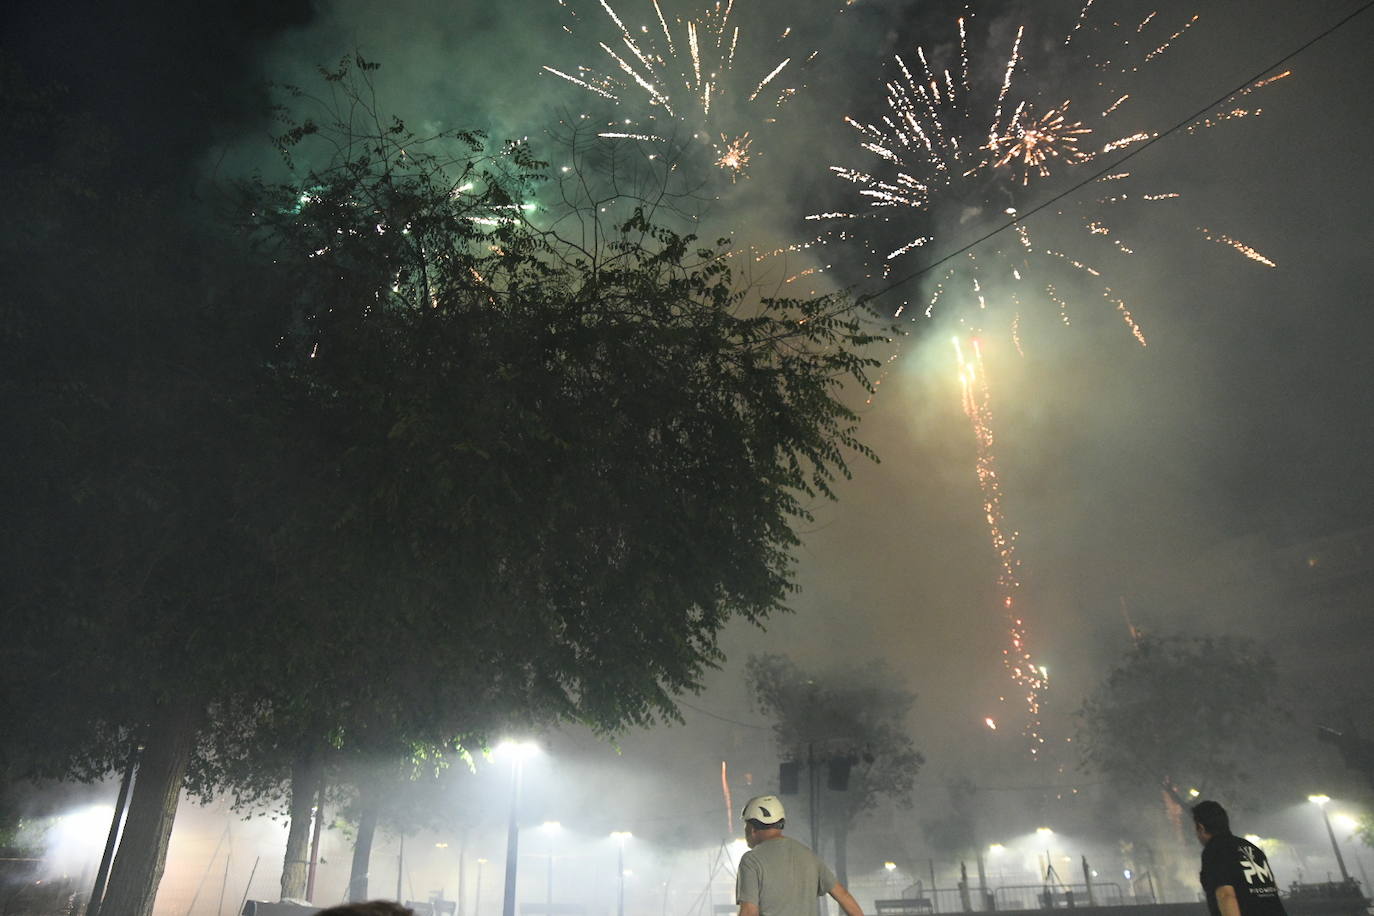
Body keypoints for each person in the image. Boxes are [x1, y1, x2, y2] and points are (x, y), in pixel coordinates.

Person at [736, 795, 865, 916]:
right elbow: (843, 895)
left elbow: (749, 911)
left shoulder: (751, 860)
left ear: (753, 828)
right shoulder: (809, 856)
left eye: (745, 825)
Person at [1192, 799, 1287, 916]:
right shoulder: (1252, 848)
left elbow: (1226, 895)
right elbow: (1273, 889)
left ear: (1201, 827)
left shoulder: (1215, 850)